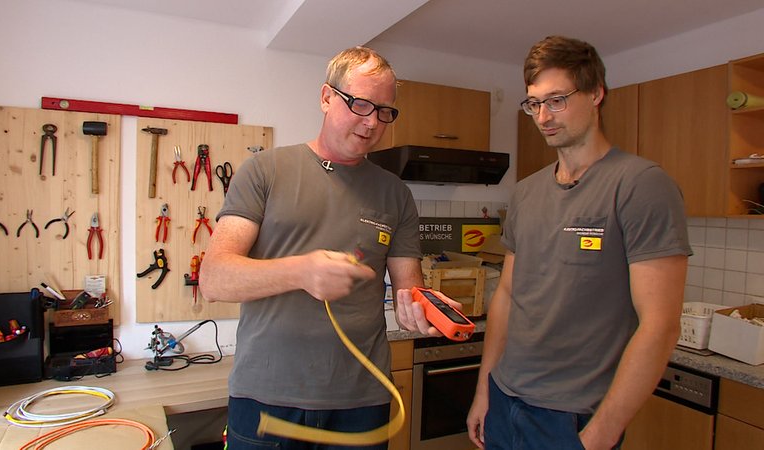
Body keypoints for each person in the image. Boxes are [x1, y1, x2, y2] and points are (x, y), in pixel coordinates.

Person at [199, 46, 443, 450]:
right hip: (268, 398)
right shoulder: (265, 171)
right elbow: (214, 278)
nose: (372, 123)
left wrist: (420, 309)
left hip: (361, 401)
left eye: (384, 111)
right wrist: (300, 271)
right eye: (361, 104)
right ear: (327, 97)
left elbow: (409, 288)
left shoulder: (395, 193)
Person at [466, 35, 691, 450]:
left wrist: (599, 435)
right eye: (534, 103)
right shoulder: (527, 192)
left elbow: (660, 325)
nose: (543, 116)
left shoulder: (641, 185)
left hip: (571, 418)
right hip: (505, 400)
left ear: (596, 93)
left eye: (557, 100)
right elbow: (508, 296)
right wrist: (484, 390)